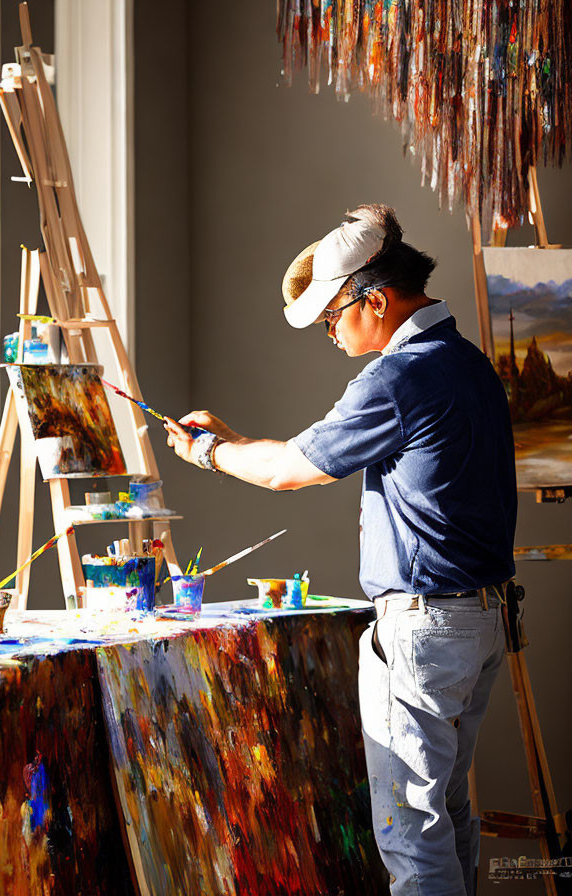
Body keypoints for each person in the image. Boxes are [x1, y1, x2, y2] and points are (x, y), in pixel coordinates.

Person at [164, 204, 517, 896]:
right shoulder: (468, 364)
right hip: (479, 622)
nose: (329, 331)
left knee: (411, 833)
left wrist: (208, 453)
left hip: (425, 630)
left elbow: (288, 470)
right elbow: (299, 456)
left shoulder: (400, 377)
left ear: (376, 300)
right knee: (444, 811)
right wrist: (235, 445)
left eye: (332, 316)